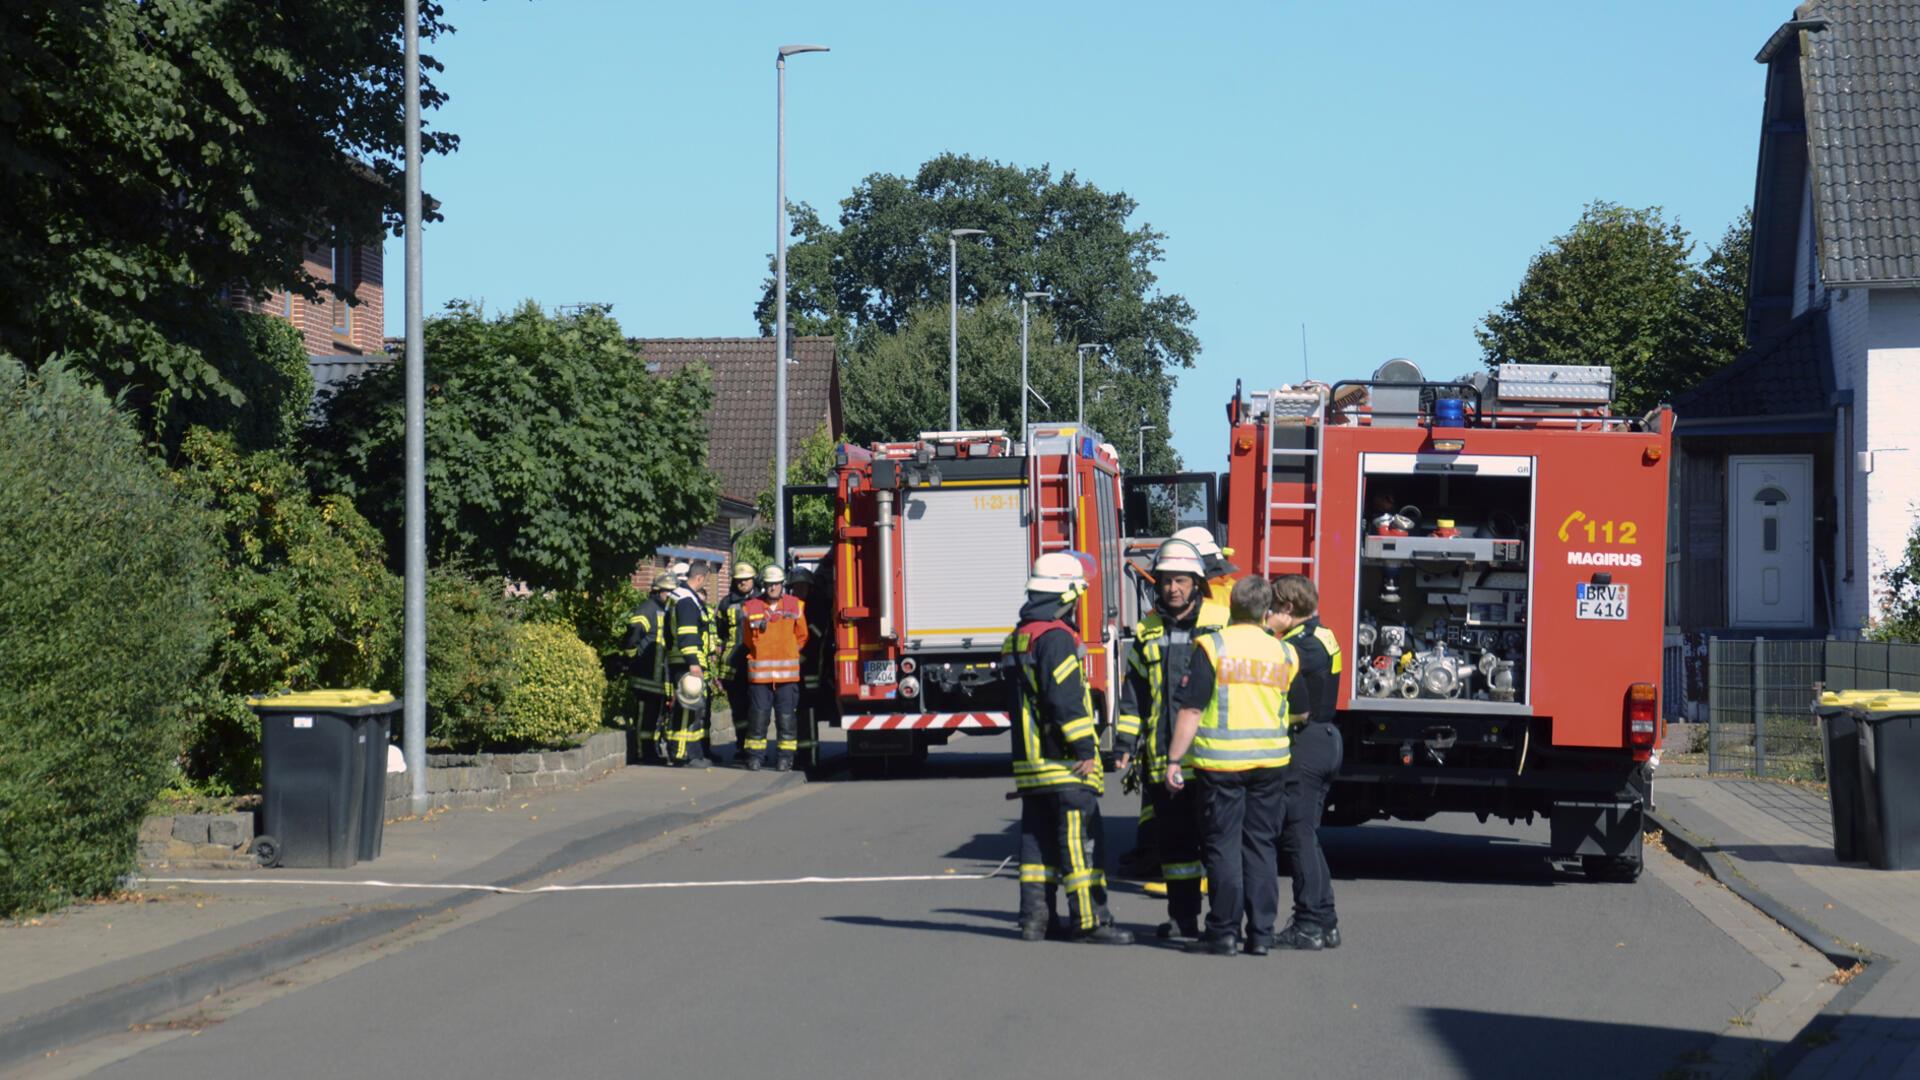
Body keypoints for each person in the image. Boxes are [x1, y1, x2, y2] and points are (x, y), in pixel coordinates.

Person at [1004, 552, 1133, 945]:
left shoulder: (1020, 635)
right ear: (1066, 595)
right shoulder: (1056, 638)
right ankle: (1090, 921)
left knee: (1037, 847)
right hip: (1065, 766)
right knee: (1081, 847)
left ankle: (1035, 921)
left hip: (1032, 766)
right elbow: (1065, 701)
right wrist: (1084, 751)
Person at [1165, 575, 1297, 957]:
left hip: (1220, 764)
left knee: (1223, 847)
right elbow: (1300, 706)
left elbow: (1191, 708)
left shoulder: (1212, 646)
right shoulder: (1284, 652)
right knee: (1261, 847)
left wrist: (1175, 759)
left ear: (1232, 606)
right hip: (1271, 763)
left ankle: (1223, 932)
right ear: (1265, 611)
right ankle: (1261, 934)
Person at [1114, 538, 1226, 941]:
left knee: (1218, 849)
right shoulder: (1147, 631)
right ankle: (1183, 920)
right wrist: (1125, 746)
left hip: (1215, 760)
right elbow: (1135, 696)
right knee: (1176, 851)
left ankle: (1224, 923)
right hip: (1165, 761)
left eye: (1180, 580)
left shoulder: (1220, 621)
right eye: (1165, 581)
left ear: (1197, 582)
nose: (1172, 588)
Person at [1270, 573, 1344, 950]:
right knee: (1305, 837)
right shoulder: (1322, 634)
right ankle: (1324, 920)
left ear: (1286, 608)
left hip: (1308, 741)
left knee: (1297, 837)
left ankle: (1309, 924)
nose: (1267, 614)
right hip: (1325, 738)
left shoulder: (1300, 646)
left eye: (1272, 607)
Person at [740, 565, 808, 771]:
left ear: (782, 585)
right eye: (769, 584)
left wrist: (789, 652)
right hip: (760, 677)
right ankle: (755, 757)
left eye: (776, 584)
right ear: (764, 585)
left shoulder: (795, 605)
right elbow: (747, 639)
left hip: (787, 678)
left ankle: (785, 758)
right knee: (758, 718)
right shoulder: (750, 607)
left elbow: (802, 636)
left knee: (786, 718)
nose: (772, 588)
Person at [663, 562, 715, 767]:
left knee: (688, 709)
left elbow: (669, 633)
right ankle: (684, 755)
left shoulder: (679, 597)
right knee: (688, 710)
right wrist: (694, 663)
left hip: (680, 659)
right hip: (687, 662)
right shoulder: (686, 601)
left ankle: (689, 753)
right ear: (700, 578)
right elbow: (687, 634)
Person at [625, 571, 676, 765]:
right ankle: (642, 752)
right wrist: (632, 657)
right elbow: (633, 634)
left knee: (655, 716)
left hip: (659, 677)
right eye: (667, 592)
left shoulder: (666, 610)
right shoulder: (648, 608)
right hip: (646, 675)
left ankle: (651, 751)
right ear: (657, 591)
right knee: (645, 716)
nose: (670, 596)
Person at [716, 562, 759, 763]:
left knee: (758, 709)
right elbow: (719, 635)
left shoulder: (762, 600)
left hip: (758, 663)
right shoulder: (725, 604)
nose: (743, 583)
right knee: (739, 710)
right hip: (734, 666)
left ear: (753, 580)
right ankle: (742, 747)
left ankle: (755, 750)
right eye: (739, 580)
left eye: (747, 579)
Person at [789, 566, 831, 769]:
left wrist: (802, 656)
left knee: (808, 711)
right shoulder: (793, 605)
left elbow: (816, 634)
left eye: (801, 586)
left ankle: (811, 757)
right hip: (795, 666)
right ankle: (801, 753)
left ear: (809, 586)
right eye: (794, 587)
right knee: (799, 712)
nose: (797, 591)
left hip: (811, 667)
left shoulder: (816, 605)